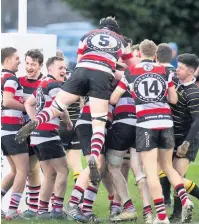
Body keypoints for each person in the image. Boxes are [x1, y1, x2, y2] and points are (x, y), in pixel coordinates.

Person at [15, 16, 136, 187]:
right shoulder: (121, 40)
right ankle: (94, 156)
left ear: (100, 27)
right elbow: (132, 66)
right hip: (102, 74)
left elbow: (79, 60)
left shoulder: (86, 35)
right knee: (99, 123)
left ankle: (36, 120)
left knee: (56, 106)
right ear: (115, 30)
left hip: (81, 70)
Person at [110, 39, 194, 224]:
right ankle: (185, 199)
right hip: (166, 123)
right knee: (168, 167)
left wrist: (134, 94)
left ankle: (162, 217)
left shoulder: (130, 72)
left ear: (139, 53)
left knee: (151, 173)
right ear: (155, 55)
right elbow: (173, 99)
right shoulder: (164, 71)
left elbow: (114, 98)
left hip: (146, 125)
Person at [23, 56, 72, 219]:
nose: (64, 70)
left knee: (50, 174)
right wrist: (69, 122)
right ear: (50, 69)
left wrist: (34, 121)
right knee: (63, 170)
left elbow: (28, 103)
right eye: (60, 68)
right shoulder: (53, 84)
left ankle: (42, 211)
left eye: (64, 68)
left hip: (37, 135)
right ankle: (57, 210)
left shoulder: (42, 83)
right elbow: (61, 107)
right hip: (48, 134)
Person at [168, 53, 199, 223]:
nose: (177, 69)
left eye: (181, 67)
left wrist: (186, 144)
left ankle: (176, 215)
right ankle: (176, 214)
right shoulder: (176, 85)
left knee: (177, 177)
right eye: (177, 66)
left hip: (187, 140)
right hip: (174, 137)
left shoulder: (193, 93)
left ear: (191, 71)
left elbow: (197, 122)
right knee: (174, 177)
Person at [1, 47, 29, 220]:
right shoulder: (10, 78)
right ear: (7, 60)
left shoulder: (2, 77)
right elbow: (8, 100)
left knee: (13, 171)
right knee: (23, 170)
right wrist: (26, 107)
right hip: (12, 130)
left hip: (5, 130)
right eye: (17, 58)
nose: (20, 61)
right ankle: (12, 211)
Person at [18, 49, 44, 218]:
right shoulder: (18, 81)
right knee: (24, 170)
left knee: (34, 169)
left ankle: (35, 208)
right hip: (19, 131)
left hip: (39, 131)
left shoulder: (45, 83)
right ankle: (28, 207)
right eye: (27, 63)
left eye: (33, 64)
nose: (29, 67)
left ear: (40, 66)